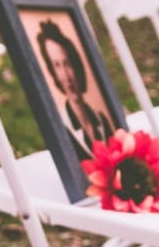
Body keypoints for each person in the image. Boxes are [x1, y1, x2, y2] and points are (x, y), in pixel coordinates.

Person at [36, 19, 114, 159]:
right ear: (52, 71)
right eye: (57, 65)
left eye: (68, 63)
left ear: (77, 65)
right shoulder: (61, 129)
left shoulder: (102, 120)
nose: (66, 76)